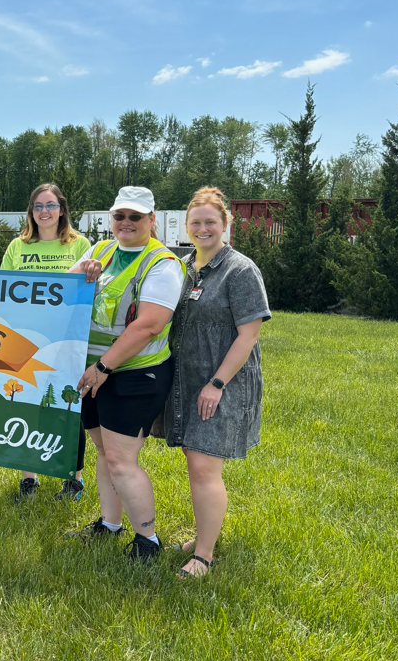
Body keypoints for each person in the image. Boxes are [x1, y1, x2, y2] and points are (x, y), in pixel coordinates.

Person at [68, 186, 186, 561]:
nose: (126, 223)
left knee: (121, 459)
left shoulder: (162, 264)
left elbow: (149, 325)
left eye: (136, 217)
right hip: (93, 372)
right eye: (120, 216)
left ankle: (147, 540)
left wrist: (104, 367)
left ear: (152, 221)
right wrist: (80, 271)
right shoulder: (100, 250)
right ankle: (109, 523)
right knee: (103, 453)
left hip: (133, 375)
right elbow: (61, 290)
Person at [164, 187, 270, 577]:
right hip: (188, 380)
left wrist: (217, 384)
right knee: (197, 464)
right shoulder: (183, 266)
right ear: (186, 227)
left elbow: (249, 335)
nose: (203, 228)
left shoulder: (241, 271)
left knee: (204, 468)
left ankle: (203, 556)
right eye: (196, 222)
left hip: (222, 381)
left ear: (226, 224)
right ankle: (203, 535)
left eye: (211, 222)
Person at [0, 183, 93, 501]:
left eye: (50, 205)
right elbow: (3, 292)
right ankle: (29, 478)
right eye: (38, 206)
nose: (44, 212)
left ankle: (74, 479)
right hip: (25, 340)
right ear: (30, 211)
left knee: (67, 408)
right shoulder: (17, 247)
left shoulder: (80, 245)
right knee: (27, 407)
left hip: (68, 343)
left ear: (62, 209)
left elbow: (89, 294)